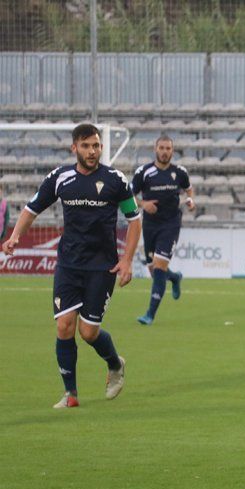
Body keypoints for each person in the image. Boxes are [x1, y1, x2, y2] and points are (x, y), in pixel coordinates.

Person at [1, 123, 142, 408]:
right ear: (74, 148)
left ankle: (115, 364)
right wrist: (15, 236)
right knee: (64, 326)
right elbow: (32, 209)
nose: (93, 151)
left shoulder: (115, 180)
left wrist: (127, 259)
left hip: (102, 266)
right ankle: (71, 394)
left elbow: (134, 220)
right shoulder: (60, 177)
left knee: (88, 332)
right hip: (68, 264)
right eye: (87, 145)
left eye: (97, 145)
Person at [132, 135, 195, 325]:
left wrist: (191, 200)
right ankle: (175, 278)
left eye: (168, 148)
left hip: (171, 224)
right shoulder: (144, 172)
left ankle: (150, 314)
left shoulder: (180, 172)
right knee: (154, 269)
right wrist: (143, 204)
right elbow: (129, 196)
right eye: (162, 148)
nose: (165, 151)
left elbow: (189, 189)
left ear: (172, 151)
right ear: (155, 148)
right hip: (150, 225)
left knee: (159, 267)